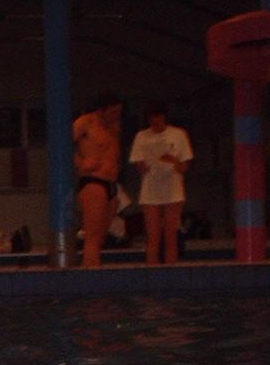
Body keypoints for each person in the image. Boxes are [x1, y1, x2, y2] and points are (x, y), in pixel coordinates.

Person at [128, 101, 193, 264]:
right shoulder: (142, 136)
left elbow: (184, 166)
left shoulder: (178, 134)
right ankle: (151, 272)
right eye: (152, 118)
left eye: (158, 117)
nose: (155, 121)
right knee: (153, 236)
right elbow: (139, 165)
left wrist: (173, 161)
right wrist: (147, 162)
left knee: (171, 235)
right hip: (151, 189)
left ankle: (171, 271)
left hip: (173, 189)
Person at [73, 92, 123, 268]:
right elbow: (61, 145)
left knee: (100, 238)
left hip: (111, 183)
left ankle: (93, 267)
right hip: (93, 181)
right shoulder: (85, 123)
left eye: (118, 112)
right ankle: (90, 271)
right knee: (92, 237)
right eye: (112, 112)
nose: (116, 116)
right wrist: (81, 163)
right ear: (101, 111)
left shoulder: (114, 127)